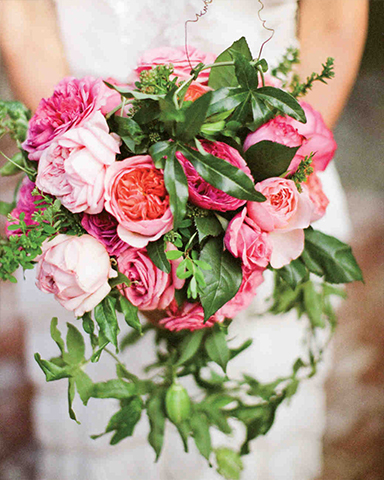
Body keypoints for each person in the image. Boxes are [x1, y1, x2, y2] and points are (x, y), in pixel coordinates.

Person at [0, 1, 368, 479]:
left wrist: (268, 189)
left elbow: (334, 19)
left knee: (254, 430)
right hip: (84, 190)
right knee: (103, 434)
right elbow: (24, 15)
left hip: (270, 174)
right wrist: (92, 190)